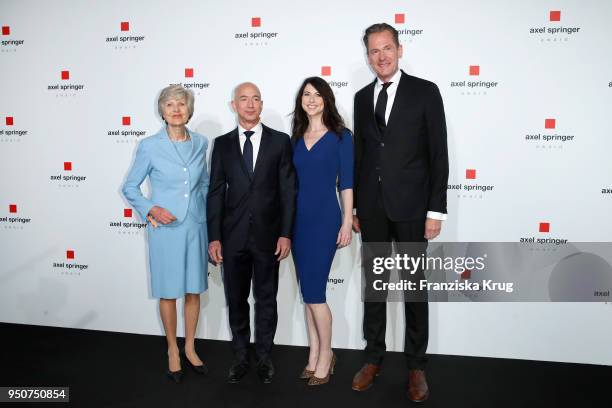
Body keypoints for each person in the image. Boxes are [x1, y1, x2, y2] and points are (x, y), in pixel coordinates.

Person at [351, 23, 449, 402]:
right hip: (373, 209)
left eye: (387, 48)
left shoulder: (425, 91)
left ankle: (416, 367)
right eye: (374, 51)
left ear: (400, 49)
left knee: (413, 288)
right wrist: (358, 204)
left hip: (412, 208)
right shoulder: (361, 98)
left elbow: (438, 154)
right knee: (375, 288)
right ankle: (373, 357)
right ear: (368, 55)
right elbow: (361, 156)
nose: (381, 56)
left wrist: (435, 210)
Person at [207, 82, 297, 384]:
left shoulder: (280, 142)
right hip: (231, 238)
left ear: (261, 104)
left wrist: (286, 233)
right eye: (243, 99)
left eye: (255, 99)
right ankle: (241, 356)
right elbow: (216, 192)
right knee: (236, 299)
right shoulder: (221, 145)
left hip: (269, 237)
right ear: (233, 105)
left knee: (266, 298)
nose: (250, 104)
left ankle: (264, 357)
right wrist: (214, 237)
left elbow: (288, 191)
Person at [122, 85, 210, 383]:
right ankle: (172, 349)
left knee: (193, 289)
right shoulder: (149, 145)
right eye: (170, 104)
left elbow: (205, 185)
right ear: (162, 111)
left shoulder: (201, 143)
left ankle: (190, 347)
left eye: (181, 104)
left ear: (189, 110)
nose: (176, 109)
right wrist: (151, 210)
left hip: (195, 227)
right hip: (166, 230)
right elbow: (130, 187)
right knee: (168, 291)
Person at [290, 77, 353, 386]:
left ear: (327, 99)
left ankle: (327, 354)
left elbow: (347, 183)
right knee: (308, 293)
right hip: (297, 222)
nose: (311, 99)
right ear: (301, 100)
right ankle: (313, 353)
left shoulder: (342, 136)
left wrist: (346, 222)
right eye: (306, 94)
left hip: (326, 220)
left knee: (315, 294)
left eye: (317, 94)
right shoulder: (296, 136)